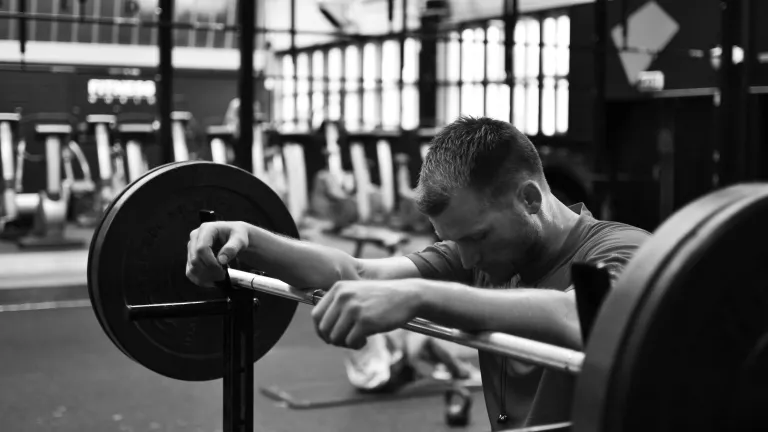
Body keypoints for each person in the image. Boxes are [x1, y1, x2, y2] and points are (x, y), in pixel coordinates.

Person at [185, 116, 651, 430]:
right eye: (457, 241)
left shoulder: (622, 249)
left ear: (529, 199)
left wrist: (421, 296)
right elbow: (359, 273)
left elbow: (582, 315)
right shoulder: (486, 254)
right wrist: (248, 238)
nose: (466, 261)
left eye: (477, 238)